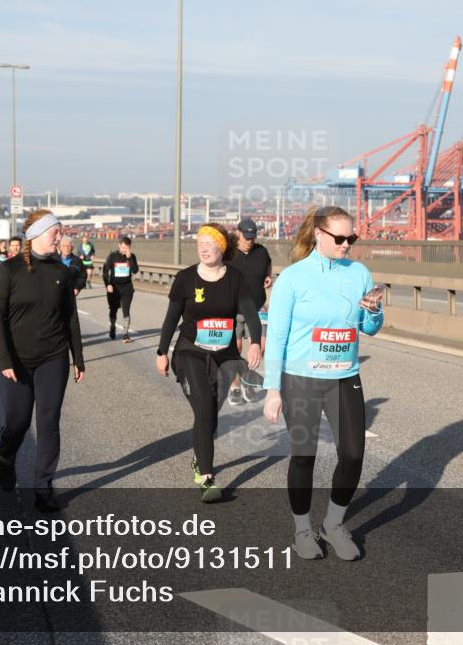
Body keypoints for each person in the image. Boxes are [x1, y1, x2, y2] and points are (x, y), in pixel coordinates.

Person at [262, 206, 384, 561]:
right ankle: (302, 529)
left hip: (344, 376)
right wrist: (272, 390)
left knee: (353, 454)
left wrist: (374, 311)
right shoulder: (294, 278)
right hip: (300, 378)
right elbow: (278, 337)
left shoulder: (359, 272)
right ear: (319, 234)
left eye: (352, 238)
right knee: (304, 456)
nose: (347, 244)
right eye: (340, 238)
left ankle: (333, 524)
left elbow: (370, 327)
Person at [156, 224, 261, 502]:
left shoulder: (235, 279)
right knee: (203, 407)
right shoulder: (185, 278)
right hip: (190, 351)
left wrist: (255, 343)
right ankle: (207, 477)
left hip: (224, 357)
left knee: (211, 415)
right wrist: (161, 351)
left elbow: (250, 314)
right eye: (200, 243)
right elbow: (171, 318)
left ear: (222, 248)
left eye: (209, 243)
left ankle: (198, 456)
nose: (203, 248)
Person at [0, 210, 85, 513]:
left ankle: (43, 488)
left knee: (48, 422)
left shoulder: (61, 270)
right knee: (17, 422)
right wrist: (4, 357)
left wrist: (77, 358)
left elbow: (70, 318)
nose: (61, 236)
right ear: (38, 235)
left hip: (53, 357)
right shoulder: (10, 270)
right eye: (56, 231)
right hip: (16, 360)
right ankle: (6, 456)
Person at [227, 218, 273, 405]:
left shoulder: (261, 251)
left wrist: (269, 275)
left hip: (257, 307)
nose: (250, 240)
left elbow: (267, 263)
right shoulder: (228, 254)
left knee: (260, 346)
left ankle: (247, 379)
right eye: (246, 237)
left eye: (252, 237)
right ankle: (235, 387)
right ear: (238, 233)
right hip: (233, 310)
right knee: (234, 349)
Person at [102, 236, 139, 343]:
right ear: (119, 245)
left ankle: (125, 334)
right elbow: (105, 272)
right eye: (123, 247)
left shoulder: (132, 256)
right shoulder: (112, 256)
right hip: (114, 289)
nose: (125, 249)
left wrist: (129, 258)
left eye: (127, 247)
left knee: (126, 312)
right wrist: (107, 284)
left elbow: (135, 270)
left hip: (127, 289)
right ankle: (112, 326)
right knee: (113, 310)